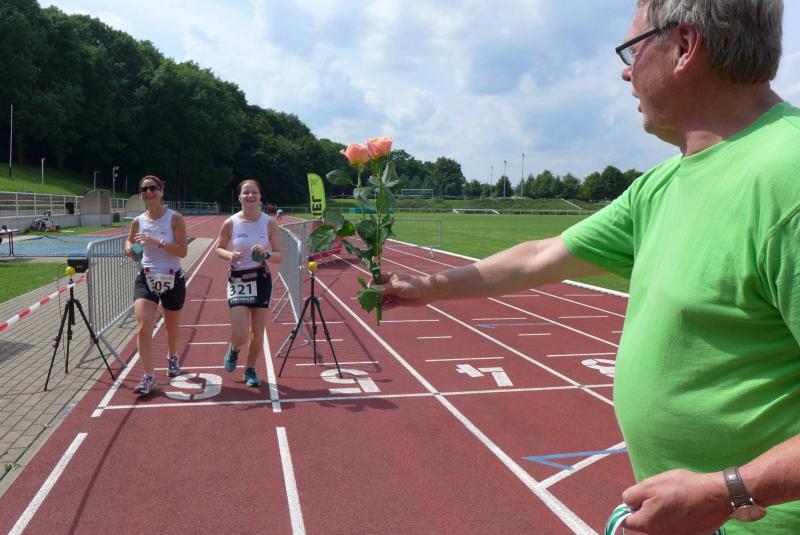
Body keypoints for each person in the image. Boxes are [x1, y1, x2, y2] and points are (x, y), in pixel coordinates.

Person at [380, 1, 800, 533]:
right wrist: (421, 287)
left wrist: (727, 491)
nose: (625, 71)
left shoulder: (788, 175)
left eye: (632, 50)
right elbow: (541, 256)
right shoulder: (663, 184)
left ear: (684, 46)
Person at [215, 179, 283, 387]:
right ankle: (234, 349)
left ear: (260, 197)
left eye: (254, 192)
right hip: (238, 279)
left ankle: (250, 370)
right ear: (239, 197)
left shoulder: (269, 223)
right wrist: (230, 255)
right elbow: (218, 248)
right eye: (246, 192)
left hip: (261, 278)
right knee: (241, 332)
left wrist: (267, 253)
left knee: (257, 333)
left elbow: (279, 255)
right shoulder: (230, 223)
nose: (250, 196)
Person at [124, 175, 188, 395]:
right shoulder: (138, 221)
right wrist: (128, 247)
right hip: (147, 277)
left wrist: (156, 242)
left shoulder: (174, 219)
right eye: (144, 189)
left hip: (172, 277)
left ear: (161, 191)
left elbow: (183, 251)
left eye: (153, 188)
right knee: (143, 324)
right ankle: (149, 375)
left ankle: (173, 356)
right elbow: (130, 239)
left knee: (172, 327)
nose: (148, 192)